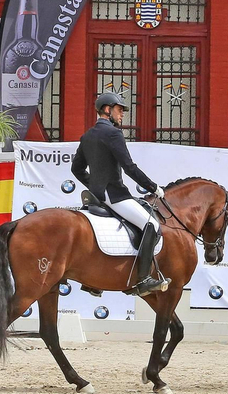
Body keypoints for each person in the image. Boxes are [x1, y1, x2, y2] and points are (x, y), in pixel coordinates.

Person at [71, 91, 167, 295]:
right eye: (119, 109)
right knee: (151, 225)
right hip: (114, 196)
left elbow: (76, 169)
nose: (122, 114)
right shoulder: (113, 134)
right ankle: (143, 280)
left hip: (96, 195)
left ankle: (93, 281)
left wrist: (95, 184)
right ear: (107, 110)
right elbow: (129, 167)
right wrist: (153, 187)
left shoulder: (87, 136)